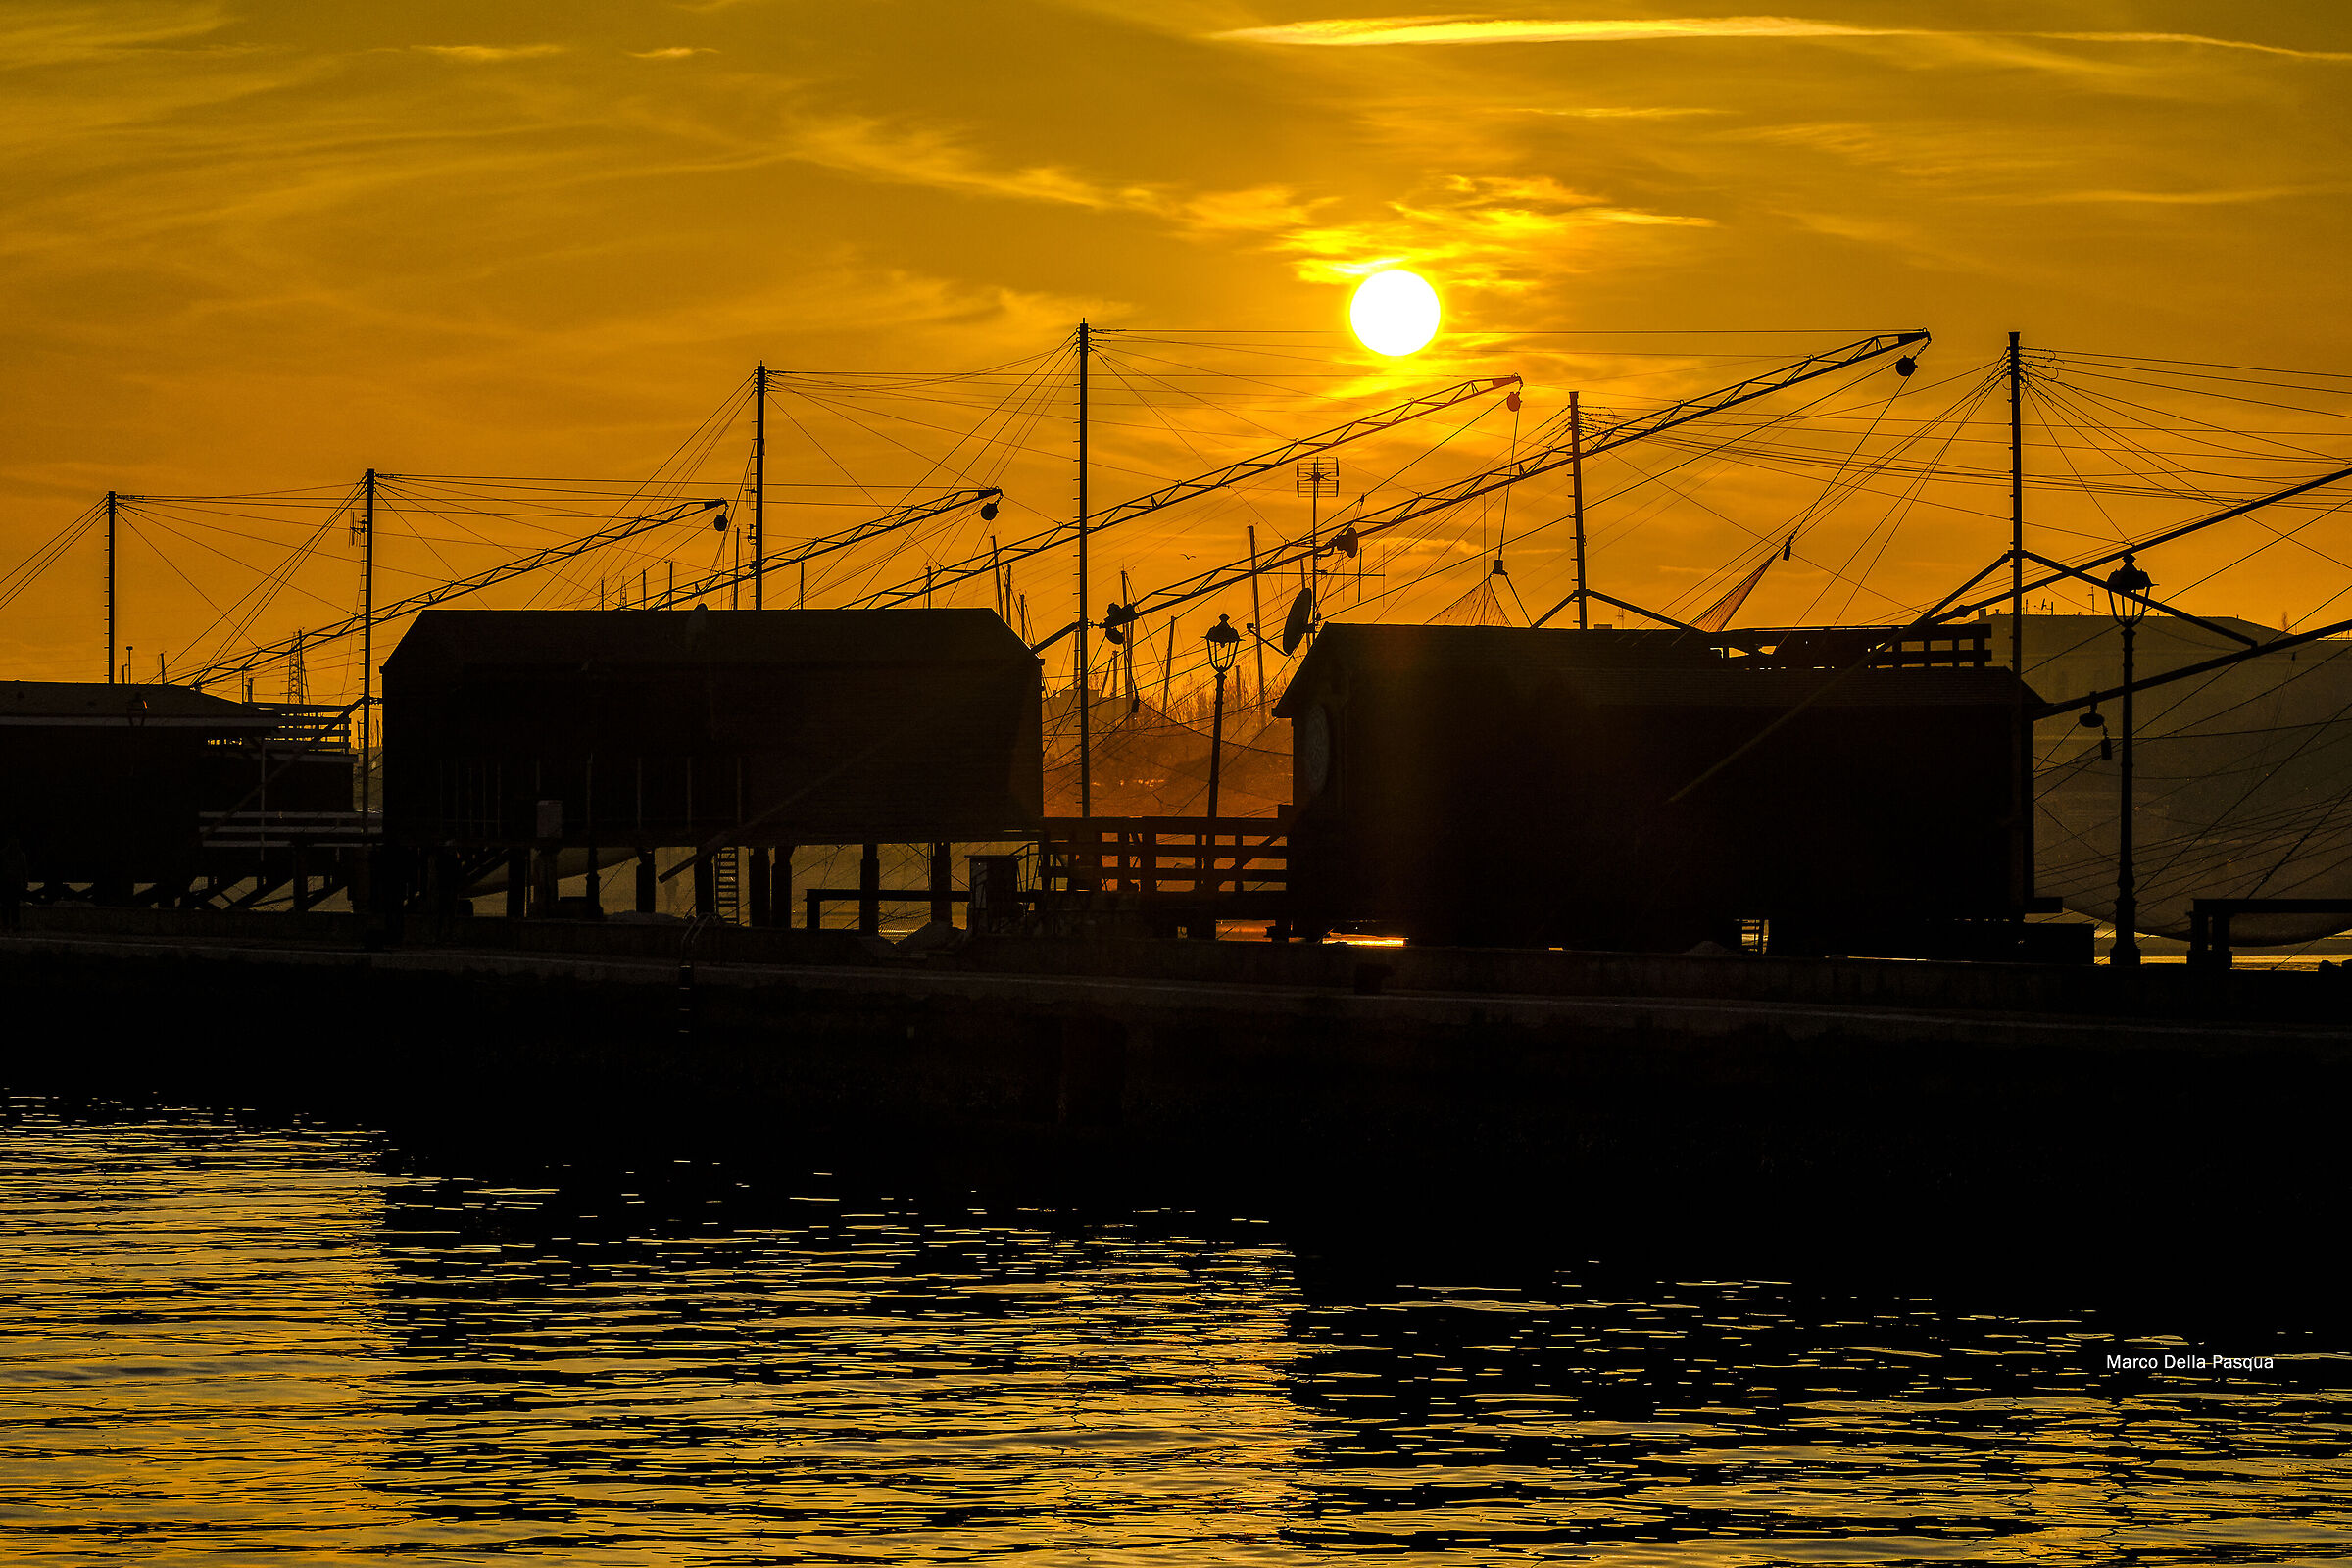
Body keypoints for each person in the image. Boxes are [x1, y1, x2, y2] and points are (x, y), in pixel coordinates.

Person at [0, 835, 26, 931]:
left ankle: (11, 925)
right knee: (8, 906)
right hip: (6, 884)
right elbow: (24, 871)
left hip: (13, 884)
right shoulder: (4, 854)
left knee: (12, 906)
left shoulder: (20, 855)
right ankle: (8, 925)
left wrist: (24, 882)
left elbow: (24, 871)